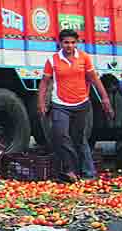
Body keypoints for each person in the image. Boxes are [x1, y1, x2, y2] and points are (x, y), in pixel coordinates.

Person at [38, 29, 114, 183]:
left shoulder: (84, 58)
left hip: (81, 104)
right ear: (60, 43)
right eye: (66, 42)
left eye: (73, 42)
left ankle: (88, 172)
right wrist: (41, 103)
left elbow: (94, 79)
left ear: (76, 43)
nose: (69, 46)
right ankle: (70, 170)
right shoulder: (52, 60)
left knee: (79, 139)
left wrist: (105, 99)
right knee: (61, 135)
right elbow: (45, 82)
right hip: (60, 104)